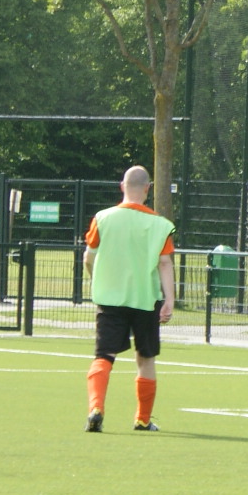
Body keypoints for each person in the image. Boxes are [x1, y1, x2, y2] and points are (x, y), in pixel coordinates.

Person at [82, 165, 176, 434]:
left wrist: (97, 279)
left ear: (122, 186)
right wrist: (169, 299)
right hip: (145, 299)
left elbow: (88, 257)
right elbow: (165, 263)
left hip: (110, 298)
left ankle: (96, 408)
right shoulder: (160, 225)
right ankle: (142, 419)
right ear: (148, 189)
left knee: (104, 355)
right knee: (146, 358)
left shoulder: (102, 218)